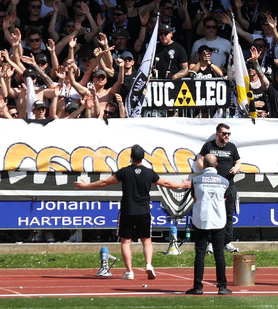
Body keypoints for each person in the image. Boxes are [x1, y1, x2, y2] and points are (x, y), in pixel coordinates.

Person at [73, 144, 191, 279]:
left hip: (127, 211)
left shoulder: (124, 172)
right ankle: (148, 264)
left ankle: (129, 271)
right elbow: (166, 184)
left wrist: (87, 185)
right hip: (144, 211)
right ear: (143, 157)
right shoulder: (149, 172)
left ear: (130, 157)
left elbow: (106, 182)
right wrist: (183, 185)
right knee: (147, 240)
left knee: (125, 241)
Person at [186, 153, 232, 295]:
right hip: (218, 220)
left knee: (200, 253)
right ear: (216, 164)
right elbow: (225, 198)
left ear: (204, 165)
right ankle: (222, 286)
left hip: (201, 219)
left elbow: (194, 197)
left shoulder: (196, 181)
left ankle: (198, 286)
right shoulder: (225, 181)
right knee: (219, 253)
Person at [197, 123, 241, 253]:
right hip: (212, 185)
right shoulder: (208, 146)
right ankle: (210, 242)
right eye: (224, 133)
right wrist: (207, 171)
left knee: (228, 213)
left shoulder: (232, 147)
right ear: (218, 134)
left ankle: (227, 242)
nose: (227, 136)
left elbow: (238, 161)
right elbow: (200, 160)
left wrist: (236, 168)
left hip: (229, 184)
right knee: (211, 212)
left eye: (228, 134)